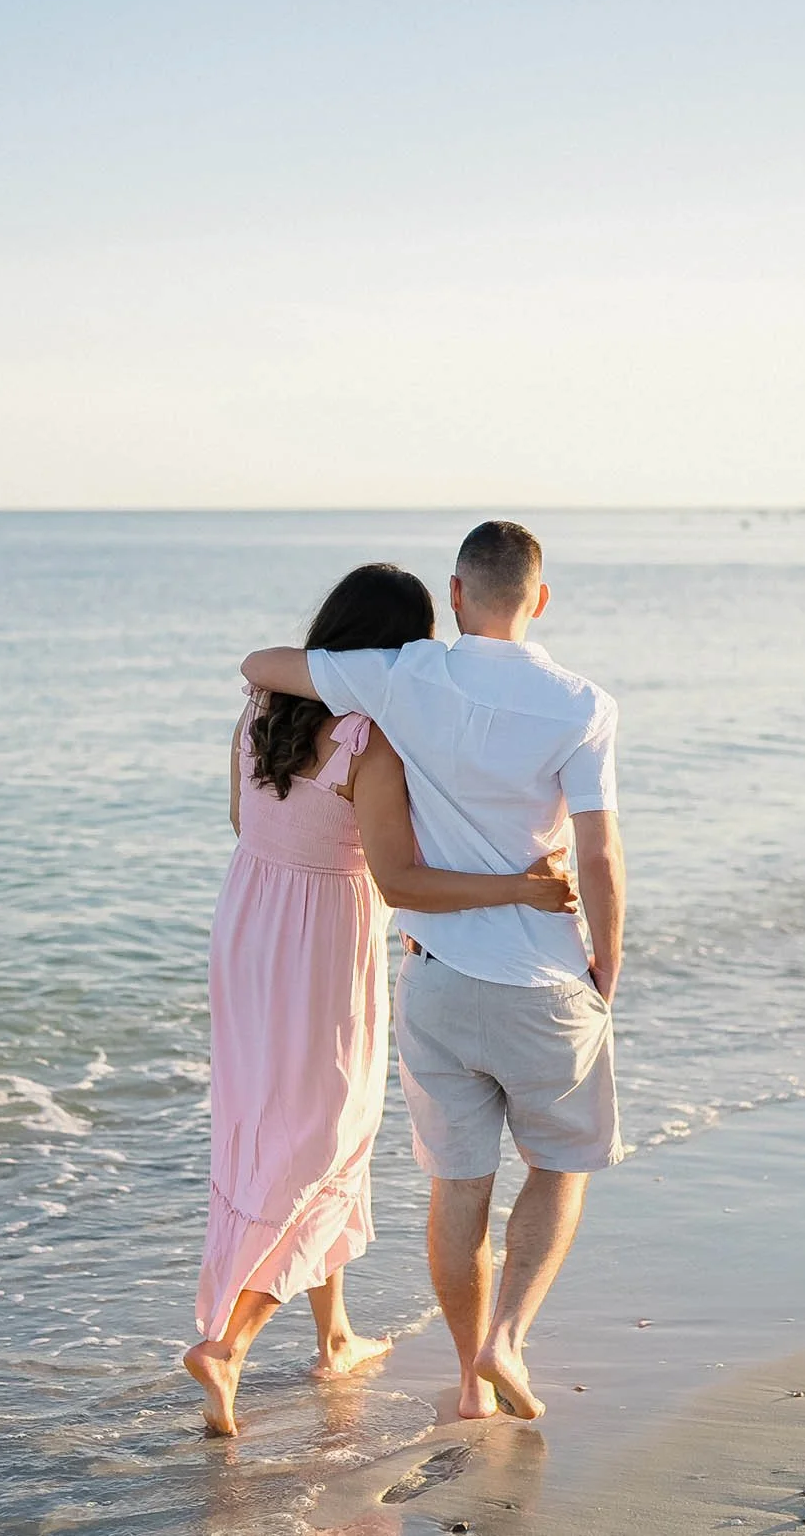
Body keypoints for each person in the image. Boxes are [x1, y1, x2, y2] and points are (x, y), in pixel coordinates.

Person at [241, 520, 626, 1425]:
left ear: (454, 595)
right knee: (562, 1165)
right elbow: (601, 850)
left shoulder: (402, 675)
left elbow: (261, 664)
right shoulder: (583, 704)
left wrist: (345, 662)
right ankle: (507, 1339)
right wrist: (609, 958)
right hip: (542, 981)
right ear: (539, 598)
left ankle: (466, 1379)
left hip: (439, 977)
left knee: (459, 1185)